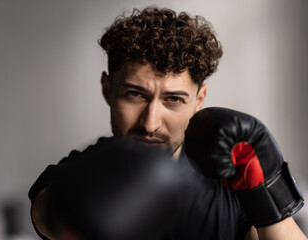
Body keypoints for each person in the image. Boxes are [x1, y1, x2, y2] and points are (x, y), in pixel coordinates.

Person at [28, 7, 306, 240]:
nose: (150, 124)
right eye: (135, 95)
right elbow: (45, 213)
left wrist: (267, 187)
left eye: (173, 99)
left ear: (199, 100)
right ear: (106, 89)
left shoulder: (228, 183)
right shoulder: (79, 174)